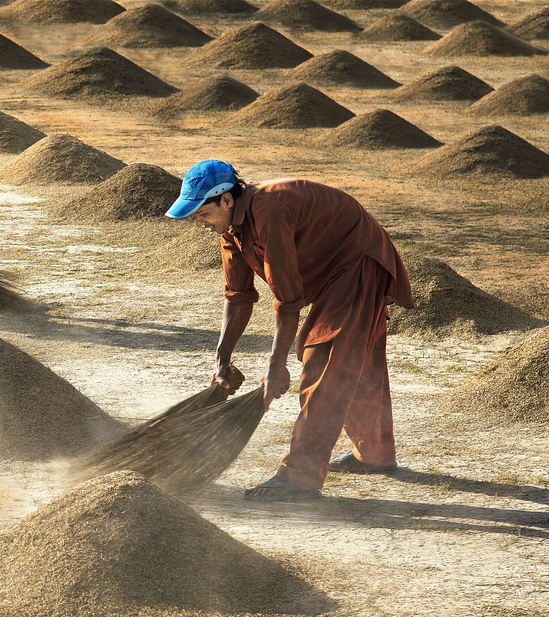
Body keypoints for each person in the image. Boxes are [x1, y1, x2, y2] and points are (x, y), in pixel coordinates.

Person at [166, 160, 414, 501]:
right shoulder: (232, 229)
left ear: (226, 200)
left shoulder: (270, 210)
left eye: (203, 214)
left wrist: (276, 365)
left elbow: (288, 299)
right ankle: (375, 453)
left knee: (325, 361)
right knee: (358, 364)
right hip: (331, 274)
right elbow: (238, 296)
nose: (200, 223)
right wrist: (221, 360)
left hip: (357, 263)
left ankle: (299, 478)